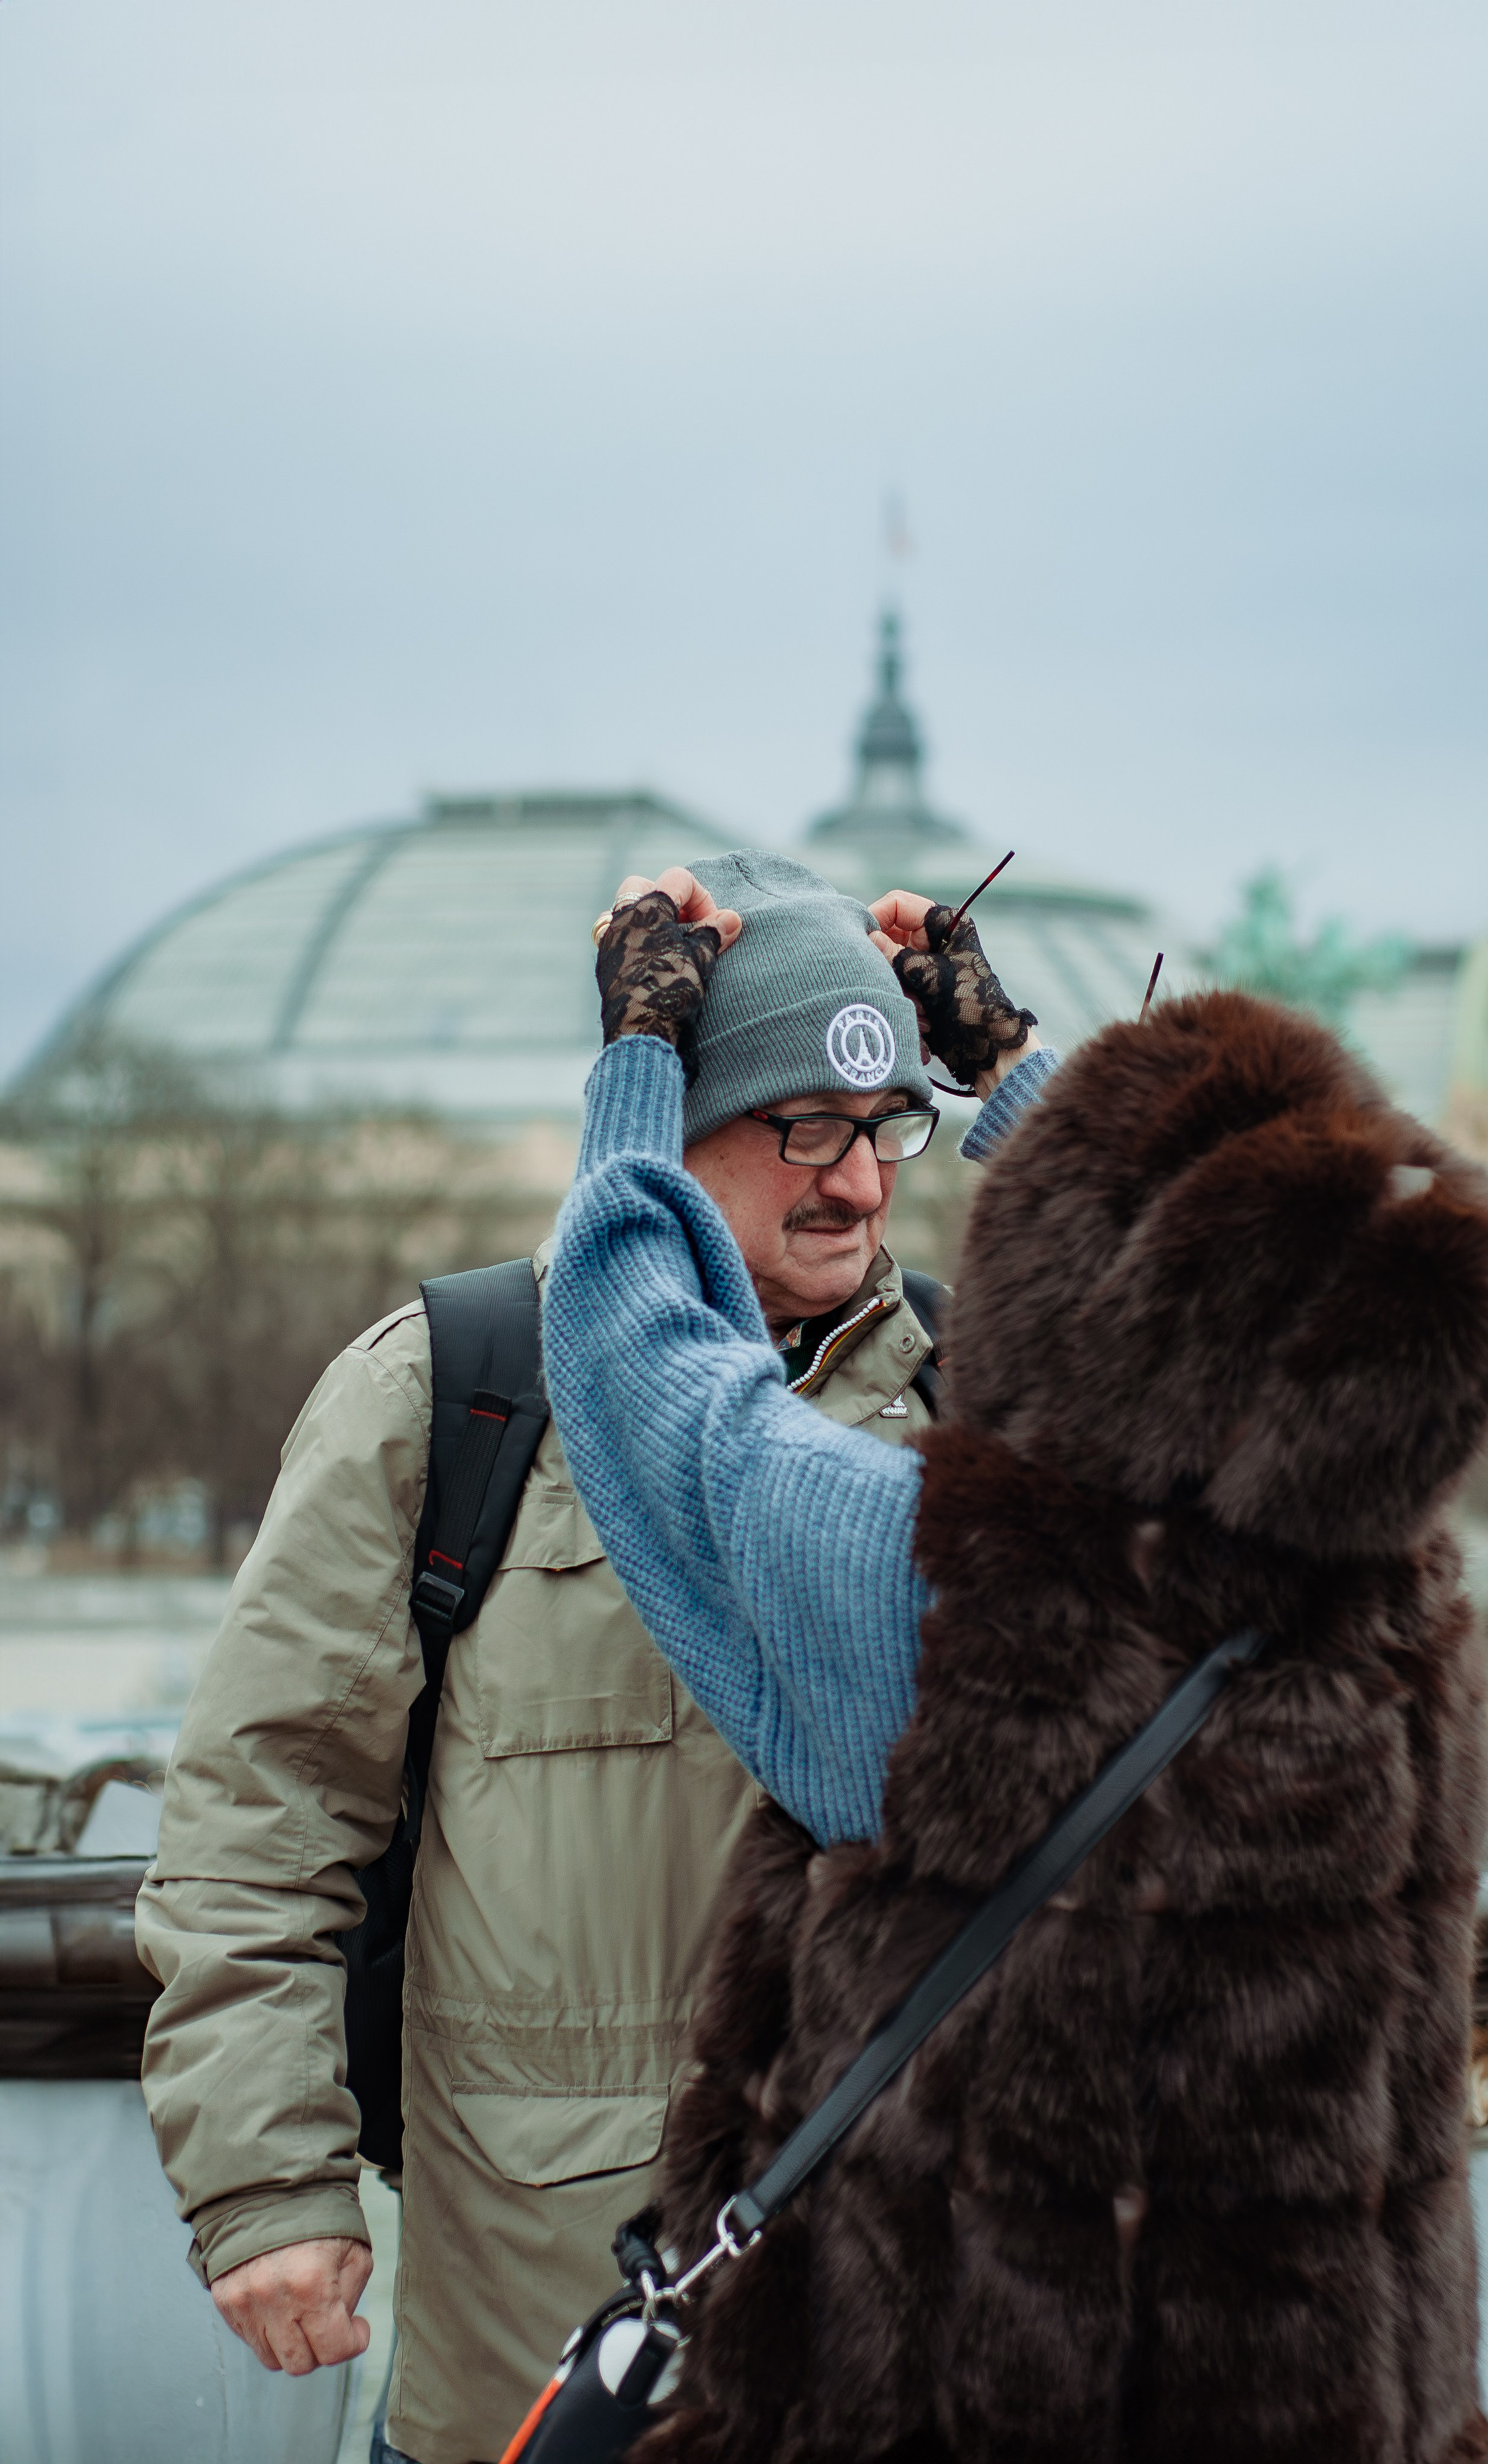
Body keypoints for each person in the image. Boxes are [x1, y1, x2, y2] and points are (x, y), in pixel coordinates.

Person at [542, 884, 1488, 2464]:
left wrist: (640, 1061)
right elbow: (1227, 1296)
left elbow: (638, 1361)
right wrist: (1001, 1058)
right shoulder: (1397, 1612)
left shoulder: (966, 1596)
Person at [134, 849, 1038, 2464]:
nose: (858, 1183)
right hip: (554, 2365)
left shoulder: (1000, 1403)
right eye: (799, 1129)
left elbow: (1250, 1404)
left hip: (931, 2354)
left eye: (885, 1126)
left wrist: (1013, 1071)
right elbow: (258, 1825)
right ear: (667, 1137)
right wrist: (270, 2181)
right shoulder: (450, 1391)